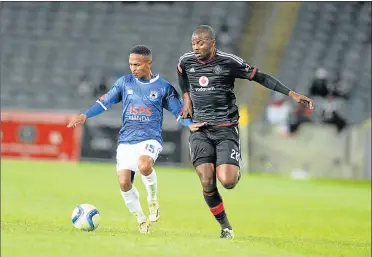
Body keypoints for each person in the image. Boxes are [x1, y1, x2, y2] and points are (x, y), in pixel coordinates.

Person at [177, 25, 314, 239]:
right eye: (193, 43)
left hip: (226, 129)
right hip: (200, 129)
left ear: (212, 43)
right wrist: (186, 99)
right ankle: (225, 226)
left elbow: (261, 77)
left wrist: (291, 93)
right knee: (206, 180)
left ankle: (231, 165)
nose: (195, 47)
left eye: (201, 43)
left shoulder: (229, 62)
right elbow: (182, 75)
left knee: (228, 182)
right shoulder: (186, 61)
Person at [68, 45, 203, 234]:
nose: (133, 68)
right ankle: (141, 219)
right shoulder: (124, 83)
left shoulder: (163, 87)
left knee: (144, 165)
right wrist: (85, 115)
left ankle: (153, 199)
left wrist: (190, 125)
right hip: (126, 141)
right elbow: (104, 102)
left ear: (149, 63)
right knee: (124, 182)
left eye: (137, 64)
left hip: (150, 138)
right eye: (131, 64)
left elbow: (178, 111)